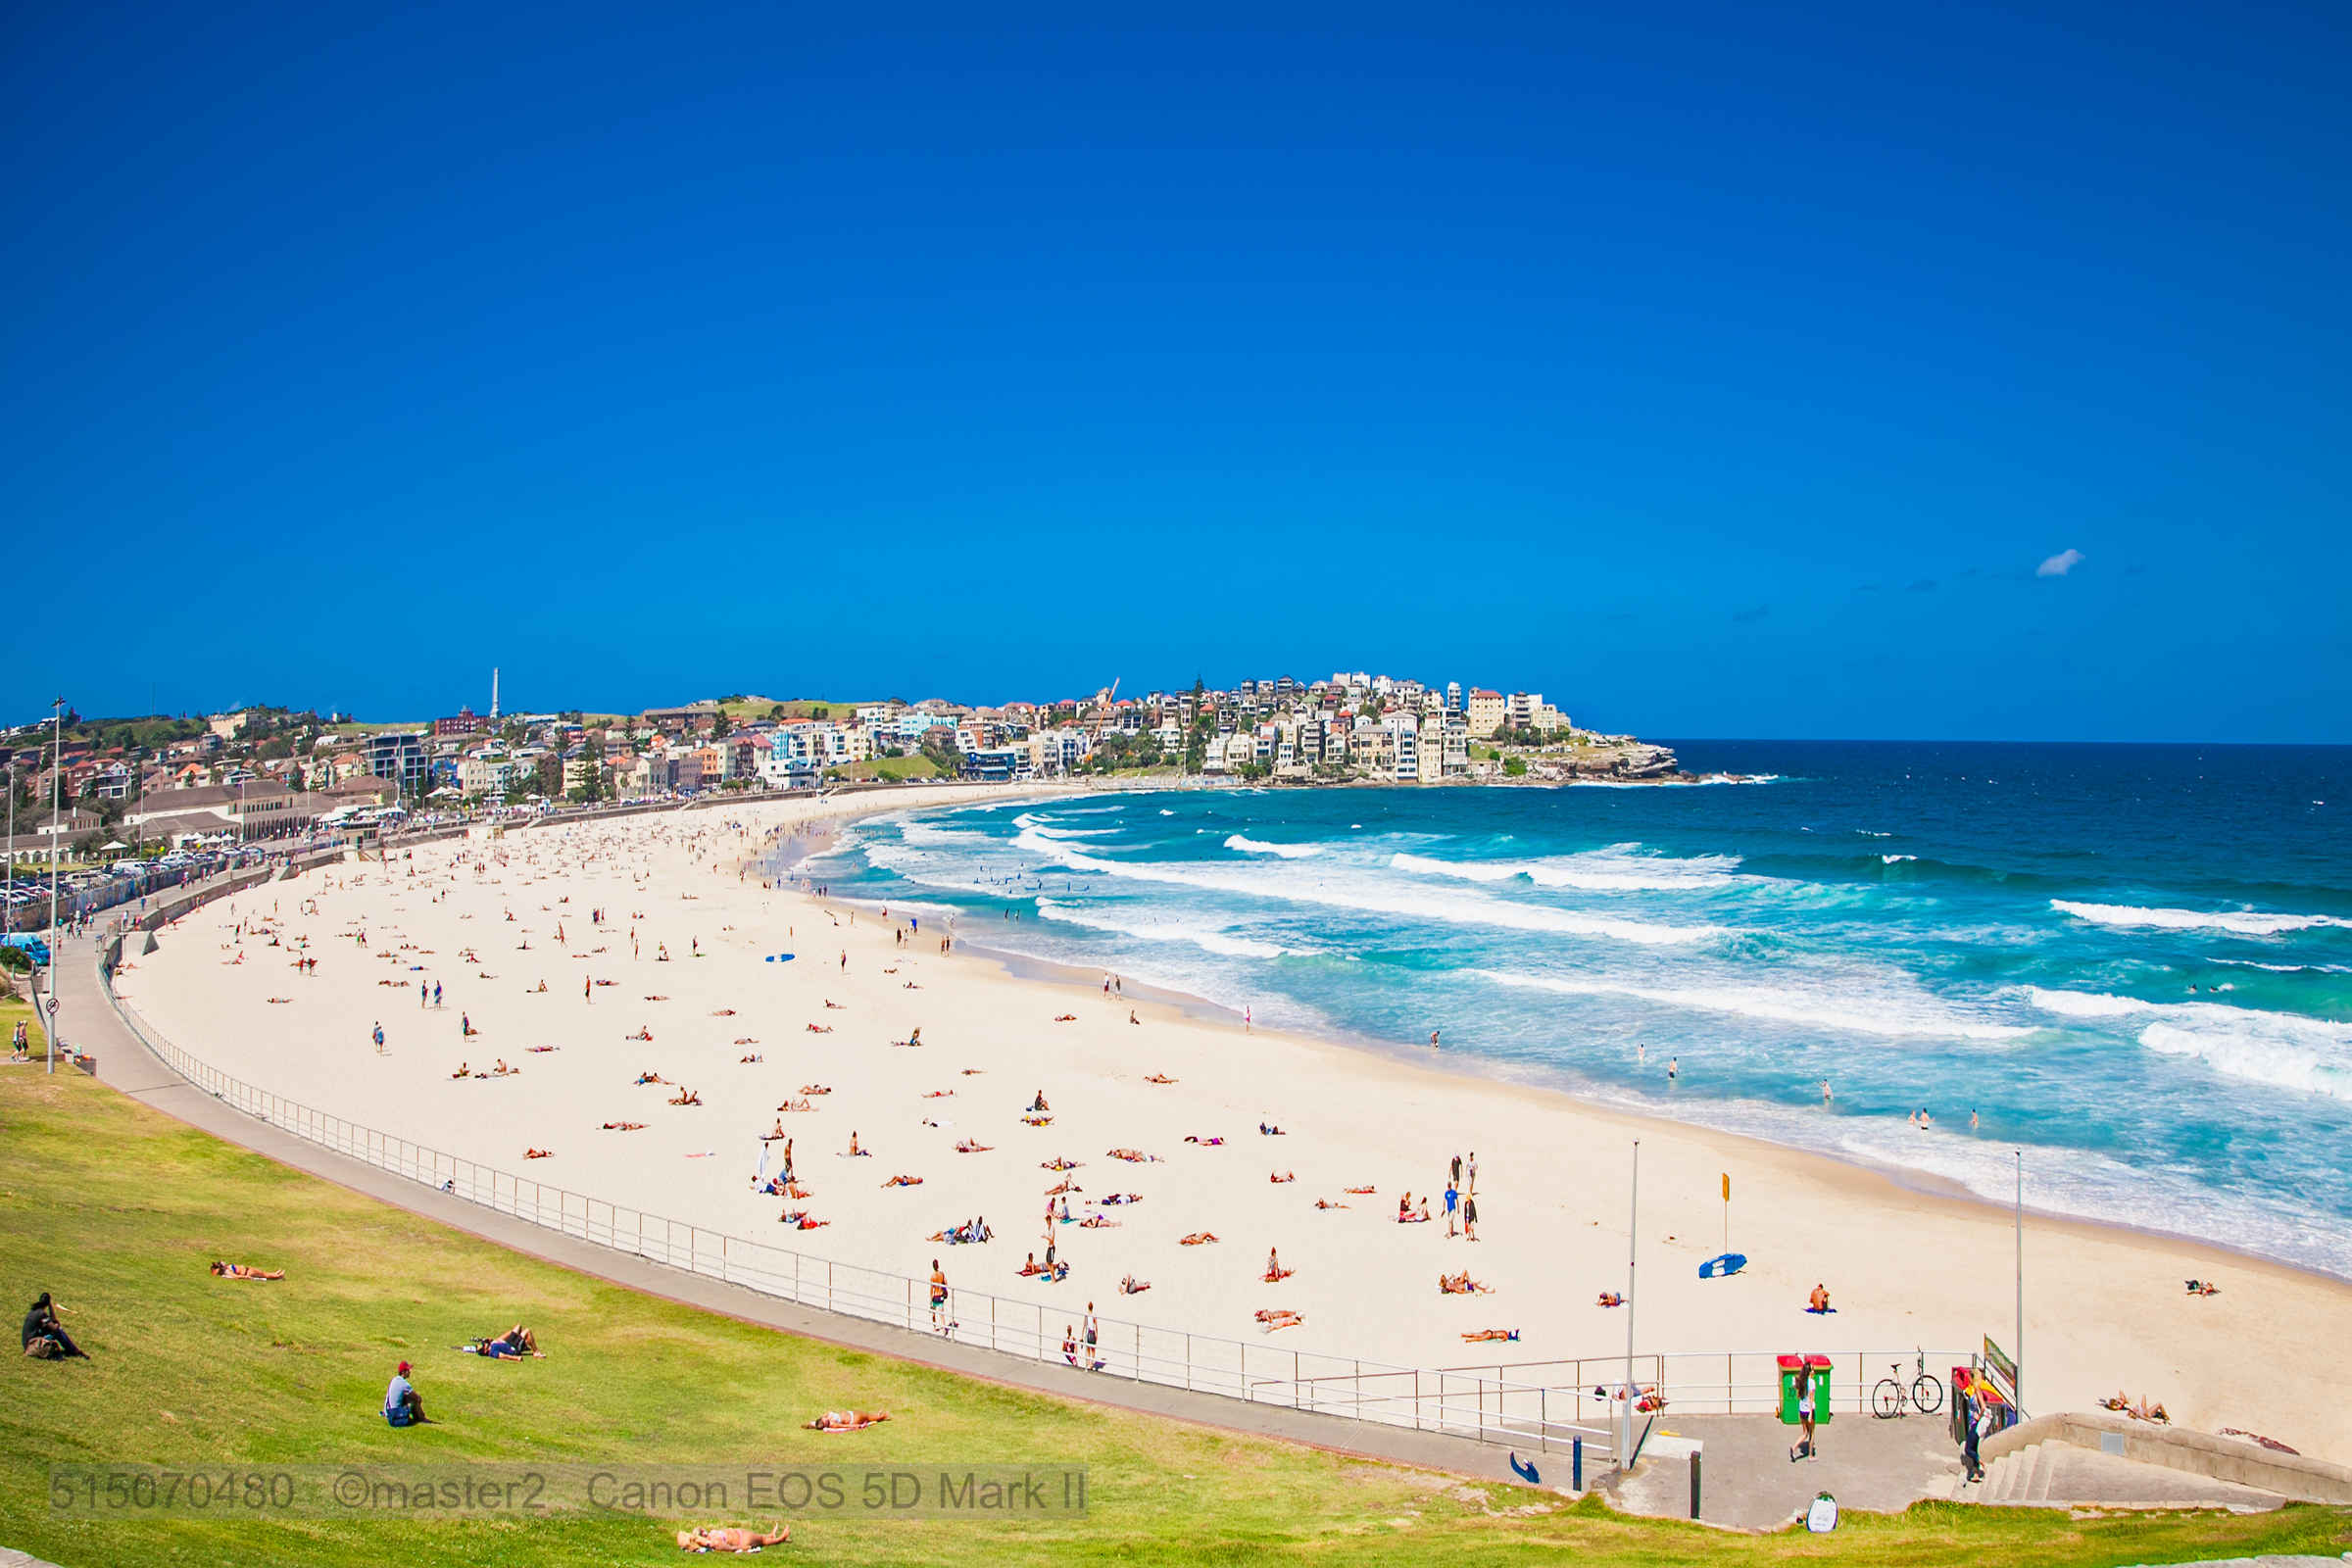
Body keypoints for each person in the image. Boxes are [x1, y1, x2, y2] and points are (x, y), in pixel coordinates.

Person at [21, 1292, 86, 1358]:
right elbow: (54, 1327)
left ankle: (72, 1350)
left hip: (26, 1343)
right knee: (58, 1331)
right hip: (33, 1344)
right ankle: (73, 1351)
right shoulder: (41, 1314)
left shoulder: (33, 1311)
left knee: (53, 1330)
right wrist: (57, 1322)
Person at [676, 1523, 791, 1551]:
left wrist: (698, 1532)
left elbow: (699, 1528)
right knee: (763, 1541)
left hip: (740, 1533)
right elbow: (727, 1548)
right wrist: (741, 1548)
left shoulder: (710, 1535)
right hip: (742, 1539)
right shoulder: (713, 1542)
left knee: (762, 1538)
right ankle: (780, 1539)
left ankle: (771, 1535)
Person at [384, 1360, 427, 1426]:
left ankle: (420, 1418)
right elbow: (417, 1398)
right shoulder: (404, 1384)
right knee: (413, 1399)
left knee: (407, 1397)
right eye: (408, 1370)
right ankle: (421, 1418)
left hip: (388, 1413)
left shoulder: (394, 1379)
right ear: (403, 1372)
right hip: (395, 1415)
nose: (409, 1372)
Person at [1789, 1366, 1816, 1461]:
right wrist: (1811, 1413)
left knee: (1805, 1433)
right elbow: (1811, 1398)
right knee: (1812, 1433)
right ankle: (1810, 1456)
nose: (1814, 1371)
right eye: (1812, 1369)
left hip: (1801, 1410)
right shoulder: (1812, 1382)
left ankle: (1793, 1448)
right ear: (1810, 1372)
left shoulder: (1801, 1381)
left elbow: (1795, 1388)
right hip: (1809, 1410)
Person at [929, 1260, 949, 1330]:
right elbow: (946, 1283)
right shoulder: (942, 1274)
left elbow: (931, 1290)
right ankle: (944, 1329)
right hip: (941, 1296)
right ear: (938, 1265)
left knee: (933, 1314)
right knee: (941, 1314)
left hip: (935, 1296)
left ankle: (934, 1328)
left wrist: (930, 1300)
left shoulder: (932, 1277)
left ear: (933, 1266)